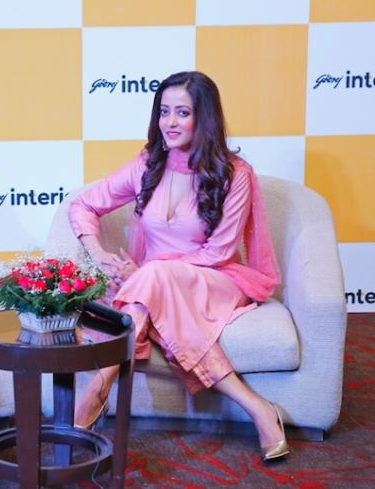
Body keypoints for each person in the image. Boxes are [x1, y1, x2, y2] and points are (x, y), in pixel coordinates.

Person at [68, 71, 290, 461]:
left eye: (182, 113)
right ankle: (258, 408)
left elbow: (218, 251)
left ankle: (101, 381)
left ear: (204, 118)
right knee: (150, 290)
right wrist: (96, 251)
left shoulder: (235, 175)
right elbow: (83, 205)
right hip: (154, 286)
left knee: (151, 280)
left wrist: (146, 272)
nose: (169, 122)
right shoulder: (147, 164)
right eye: (164, 112)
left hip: (216, 279)